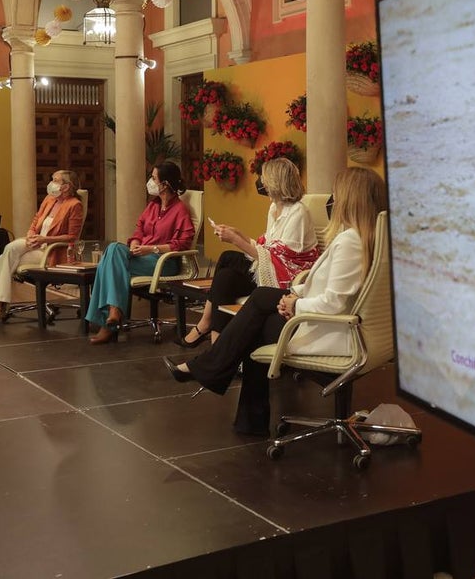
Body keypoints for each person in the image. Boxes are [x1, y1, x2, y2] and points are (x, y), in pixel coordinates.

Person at [165, 167, 387, 437]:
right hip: (336, 324)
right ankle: (225, 388)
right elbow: (333, 289)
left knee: (254, 321)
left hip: (328, 329)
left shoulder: (350, 242)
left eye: (337, 195)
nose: (333, 201)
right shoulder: (370, 238)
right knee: (256, 311)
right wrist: (295, 291)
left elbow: (334, 302)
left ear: (352, 199)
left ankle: (212, 371)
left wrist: (295, 305)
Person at [177, 157, 319, 348]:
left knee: (228, 257)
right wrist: (238, 234)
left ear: (276, 181)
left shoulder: (298, 213)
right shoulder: (273, 208)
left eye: (265, 179)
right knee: (225, 278)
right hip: (271, 268)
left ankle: (206, 322)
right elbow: (267, 248)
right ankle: (216, 342)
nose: (262, 184)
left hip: (289, 278)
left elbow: (282, 259)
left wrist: (236, 240)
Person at [84, 161, 195, 344]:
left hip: (163, 262)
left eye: (153, 178)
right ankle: (113, 312)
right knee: (112, 251)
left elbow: (183, 244)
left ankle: (110, 319)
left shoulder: (180, 210)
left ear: (165, 184)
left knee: (109, 258)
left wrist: (150, 249)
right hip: (142, 257)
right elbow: (139, 230)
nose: (150, 182)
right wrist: (135, 244)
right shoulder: (153, 206)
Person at [0, 170, 83, 322]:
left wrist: (44, 239)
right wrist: (31, 234)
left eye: (55, 180)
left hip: (51, 251)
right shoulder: (49, 199)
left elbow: (72, 236)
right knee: (10, 249)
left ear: (66, 186)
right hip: (36, 243)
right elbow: (36, 220)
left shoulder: (75, 205)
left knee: (1, 261)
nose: (51, 183)